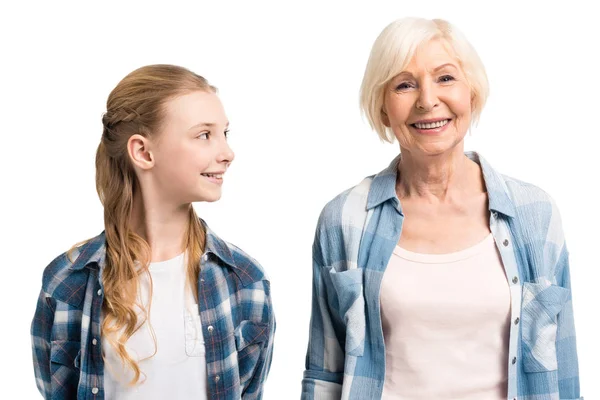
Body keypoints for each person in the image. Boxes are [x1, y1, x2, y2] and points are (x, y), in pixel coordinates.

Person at [301, 17, 582, 400]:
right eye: (404, 84)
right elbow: (325, 375)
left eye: (446, 78)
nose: (427, 100)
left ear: (473, 94)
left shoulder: (535, 214)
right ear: (384, 109)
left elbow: (563, 373)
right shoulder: (345, 220)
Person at [31, 64, 275, 400]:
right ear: (143, 152)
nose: (227, 153)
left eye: (225, 134)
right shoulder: (67, 281)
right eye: (204, 135)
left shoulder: (245, 280)